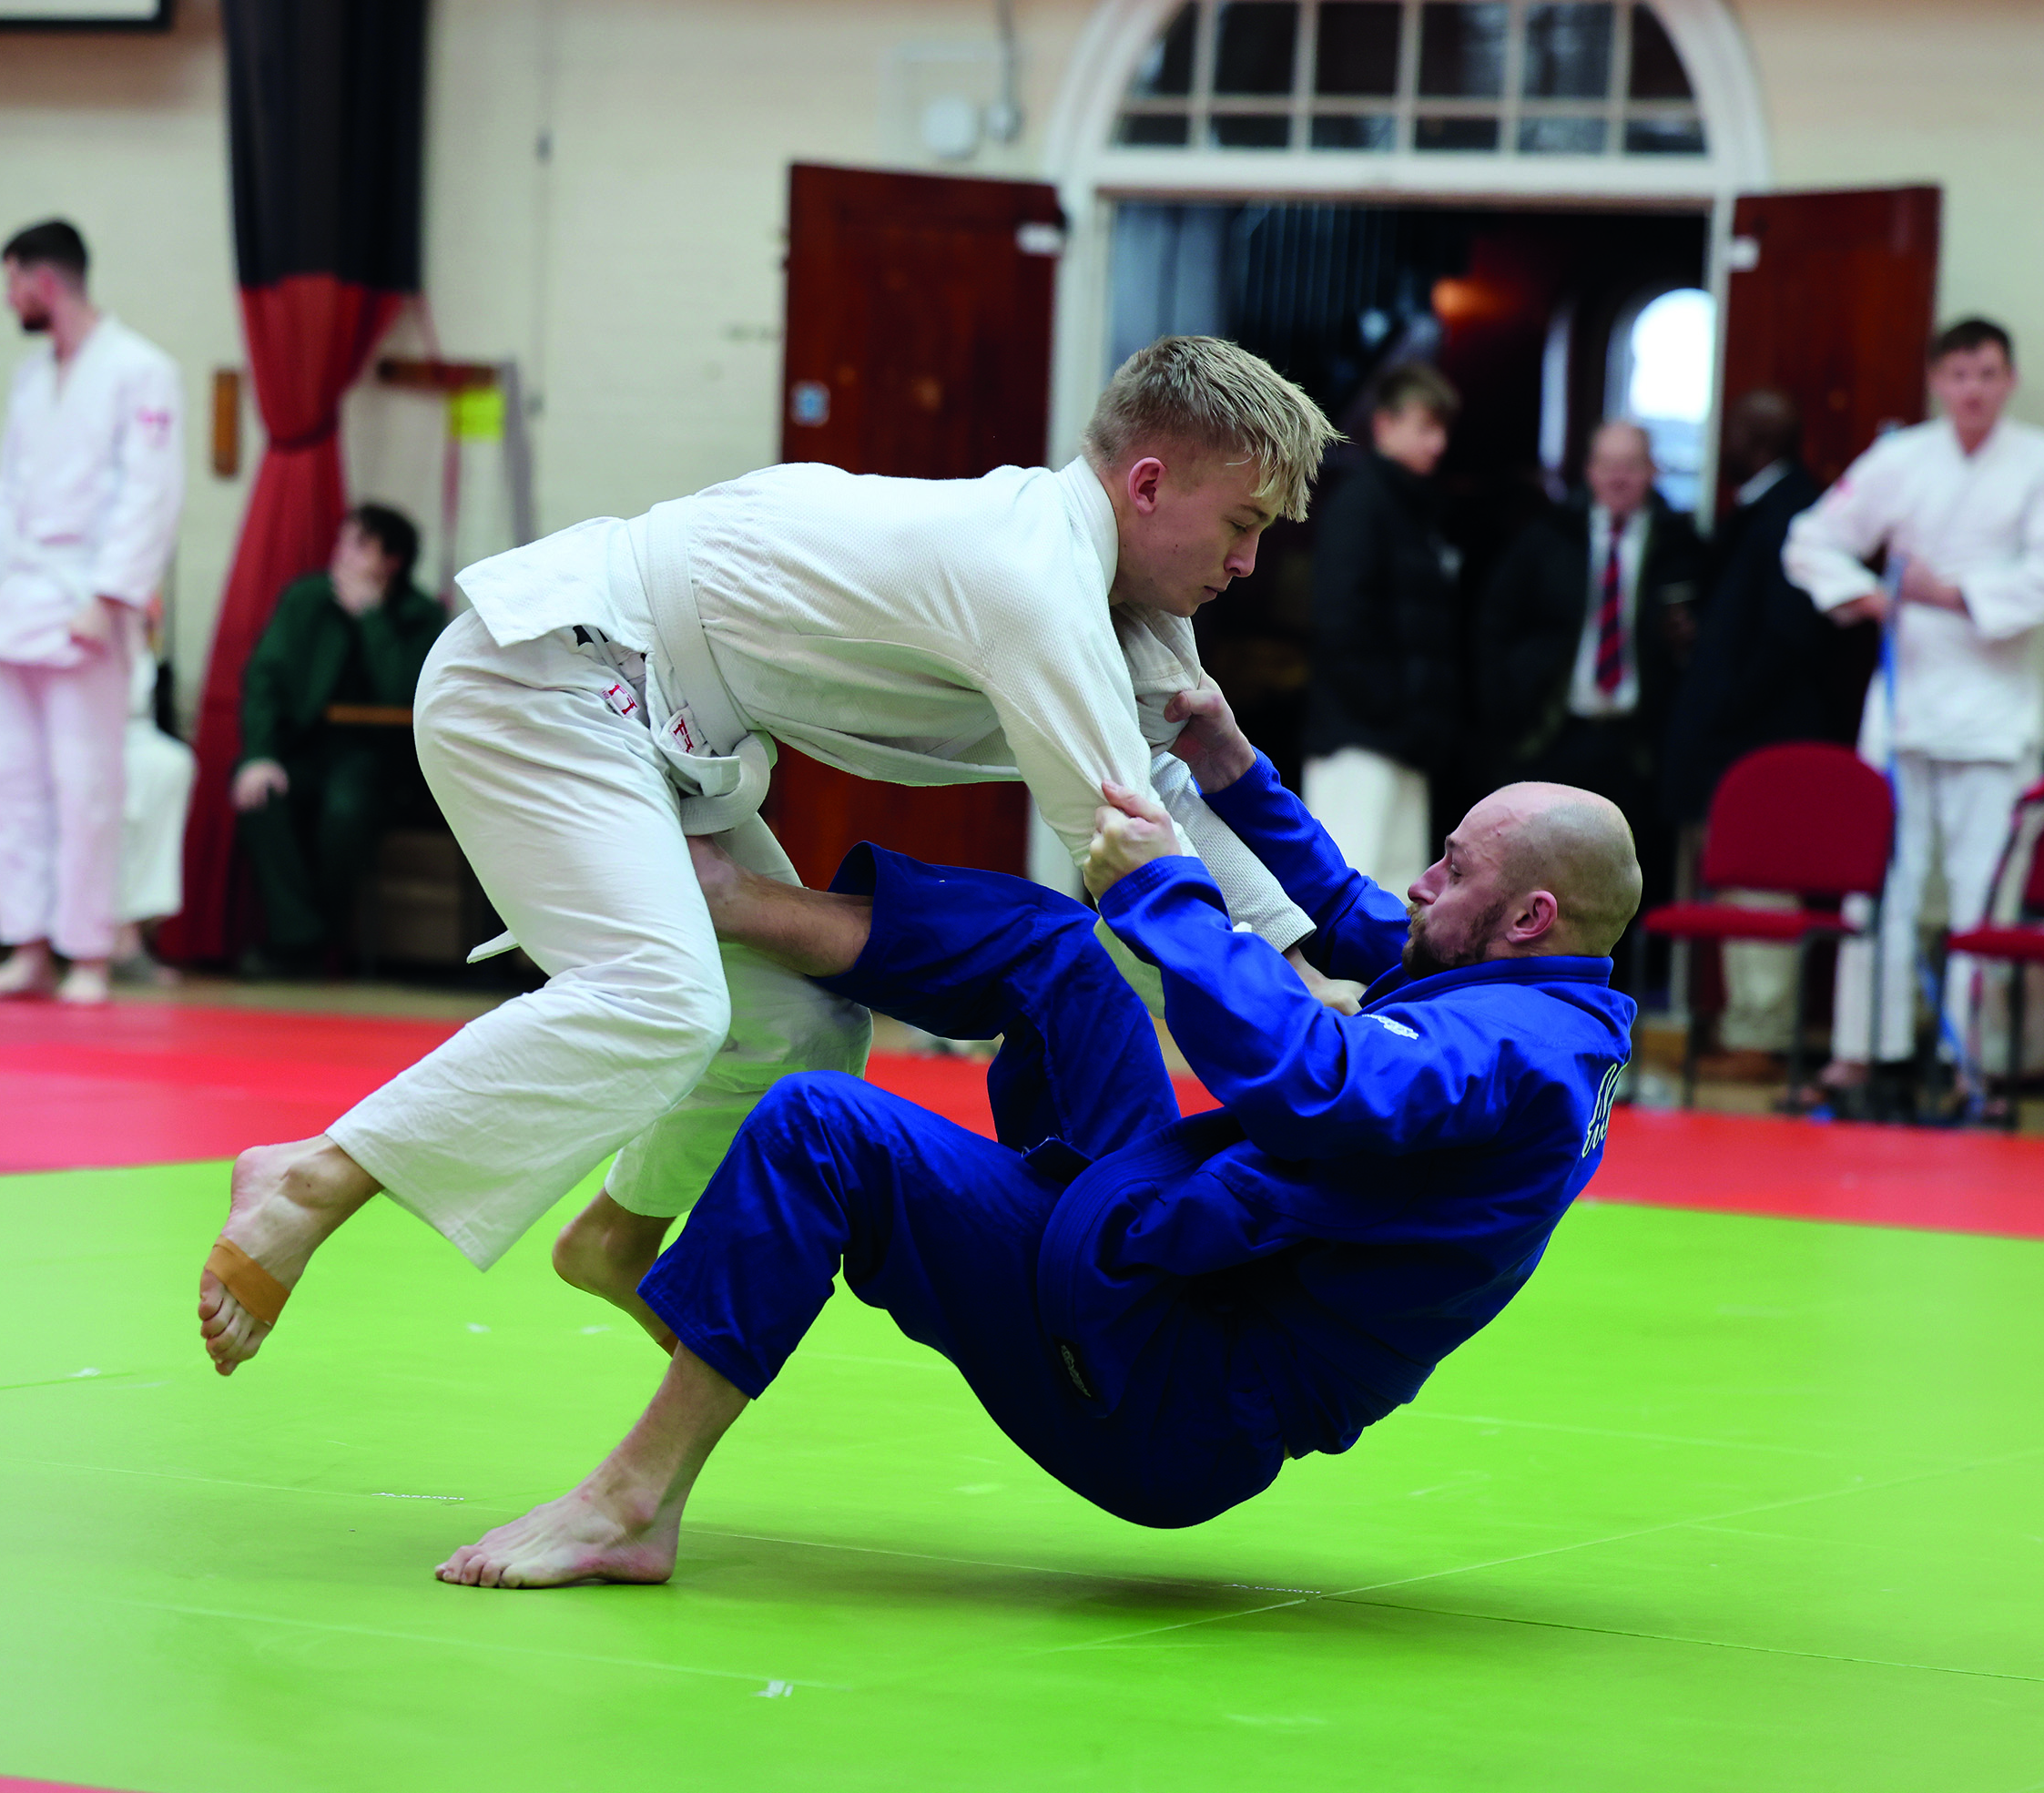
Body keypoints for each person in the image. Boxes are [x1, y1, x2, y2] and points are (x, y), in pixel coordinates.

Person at [195, 336, 1345, 1378]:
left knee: (807, 1023)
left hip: (666, 727)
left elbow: (1173, 791)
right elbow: (1127, 860)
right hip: (545, 679)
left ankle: (619, 1234)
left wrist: (1304, 976)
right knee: (661, 996)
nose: (1249, 566)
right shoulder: (1033, 578)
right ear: (1147, 486)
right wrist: (1298, 1073)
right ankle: (312, 1178)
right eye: (1243, 526)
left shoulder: (1124, 601)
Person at [430, 683, 1641, 1587]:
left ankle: (635, 1502)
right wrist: (1228, 764)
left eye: (1450, 866)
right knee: (1058, 953)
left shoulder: (1508, 1063)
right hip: (1170, 1264)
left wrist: (1165, 890)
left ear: (1530, 914)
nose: (1419, 884)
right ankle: (741, 901)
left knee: (819, 1127)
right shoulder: (1531, 989)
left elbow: (1311, 1075)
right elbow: (1356, 918)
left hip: (1169, 1392)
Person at [1783, 318, 2044, 1090]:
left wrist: (1942, 593)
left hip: (1992, 708)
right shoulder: (1900, 458)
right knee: (1880, 880)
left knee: (1983, 887)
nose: (1972, 390)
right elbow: (1809, 539)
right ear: (1936, 381)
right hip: (1905, 704)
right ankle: (1859, 1048)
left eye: (1986, 374)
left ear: (2008, 380)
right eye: (1958, 375)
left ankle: (1967, 1058)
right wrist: (1865, 597)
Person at [0, 219, 184, 1007]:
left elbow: (148, 491)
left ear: (42, 283)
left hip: (87, 603)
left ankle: (87, 953)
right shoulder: (30, 379)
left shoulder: (141, 369)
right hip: (19, 599)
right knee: (7, 780)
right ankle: (27, 948)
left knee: (86, 782)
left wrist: (108, 593)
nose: (7, 299)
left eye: (12, 282)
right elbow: (5, 490)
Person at [1474, 419, 1702, 948]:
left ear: (1652, 472)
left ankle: (1626, 1005)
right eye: (1608, 466)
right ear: (1590, 472)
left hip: (1640, 747)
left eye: (1632, 466)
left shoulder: (1682, 543)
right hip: (1554, 736)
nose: (1619, 478)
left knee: (1633, 885)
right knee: (1542, 878)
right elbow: (1494, 625)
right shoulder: (1548, 536)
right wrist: (1506, 709)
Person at [1658, 389, 1827, 1069]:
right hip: (1740, 734)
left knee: (1758, 887)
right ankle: (1745, 1025)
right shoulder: (1763, 506)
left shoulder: (1789, 509)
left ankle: (1759, 1034)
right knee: (1740, 886)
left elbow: (1786, 637)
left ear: (1757, 441)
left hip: (1759, 739)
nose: (1718, 443)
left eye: (1730, 430)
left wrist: (1725, 700)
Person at [0, 584, 195, 983]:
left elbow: (134, 698)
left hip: (89, 732)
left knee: (166, 765)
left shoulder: (104, 599)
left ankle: (122, 929)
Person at [231, 504, 447, 975]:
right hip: (305, 749)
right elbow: (265, 679)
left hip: (379, 757)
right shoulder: (305, 600)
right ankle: (301, 938)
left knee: (345, 808)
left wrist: (371, 620)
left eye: (358, 546)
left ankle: (307, 944)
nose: (340, 556)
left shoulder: (422, 617)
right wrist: (260, 754)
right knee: (261, 796)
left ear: (391, 561)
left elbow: (407, 697)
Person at [1302, 361, 1461, 891]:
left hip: (1405, 741)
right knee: (1345, 896)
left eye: (1442, 429)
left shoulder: (1418, 512)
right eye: (1424, 426)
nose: (1437, 443)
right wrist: (1394, 711)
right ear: (1384, 425)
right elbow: (1340, 624)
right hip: (1358, 738)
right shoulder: (1360, 505)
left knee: (1397, 900)